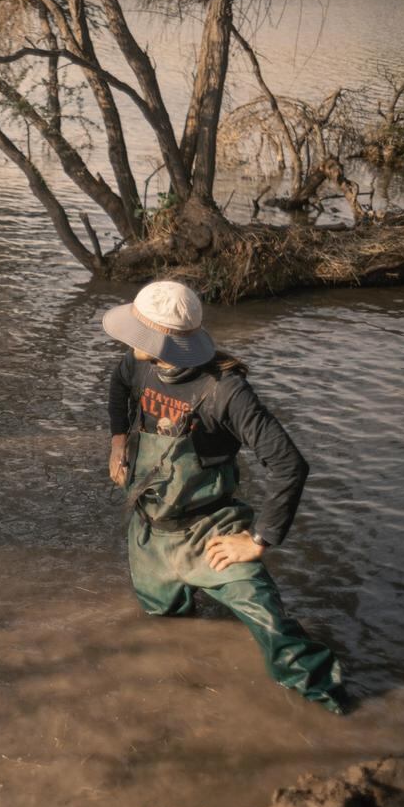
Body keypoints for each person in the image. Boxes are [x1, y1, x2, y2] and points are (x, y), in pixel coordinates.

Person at [102, 280, 348, 713]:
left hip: (209, 533)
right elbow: (119, 384)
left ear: (161, 339)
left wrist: (256, 541)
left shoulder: (225, 391)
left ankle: (345, 715)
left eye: (137, 331)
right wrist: (118, 438)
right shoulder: (138, 364)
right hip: (149, 531)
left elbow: (290, 463)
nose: (128, 340)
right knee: (166, 629)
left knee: (274, 627)